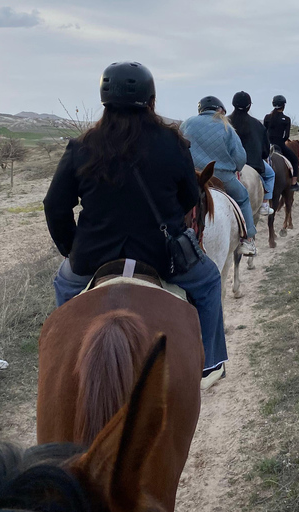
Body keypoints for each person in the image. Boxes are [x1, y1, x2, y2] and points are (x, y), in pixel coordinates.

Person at [43, 61, 227, 389]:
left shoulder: (81, 147)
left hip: (92, 256)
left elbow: (55, 206)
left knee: (65, 285)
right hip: (161, 256)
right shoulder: (174, 143)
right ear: (152, 101)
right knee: (210, 281)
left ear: (104, 102)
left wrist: (72, 248)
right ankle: (210, 363)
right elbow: (188, 198)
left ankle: (64, 356)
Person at [180, 96, 258, 256]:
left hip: (191, 176)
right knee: (243, 196)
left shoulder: (187, 123)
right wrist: (235, 167)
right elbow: (240, 158)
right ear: (220, 111)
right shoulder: (226, 126)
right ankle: (248, 240)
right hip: (221, 177)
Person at [227, 91, 275, 216]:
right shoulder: (258, 125)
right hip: (253, 164)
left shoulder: (225, 122)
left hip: (229, 165)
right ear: (249, 106)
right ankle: (265, 204)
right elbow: (265, 152)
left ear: (233, 104)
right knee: (270, 174)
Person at [264, 95, 299, 192]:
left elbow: (264, 132)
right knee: (294, 160)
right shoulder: (286, 119)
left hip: (268, 145)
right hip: (280, 145)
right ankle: (294, 183)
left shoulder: (267, 117)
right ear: (283, 105)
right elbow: (286, 136)